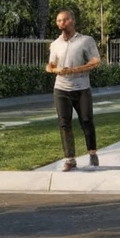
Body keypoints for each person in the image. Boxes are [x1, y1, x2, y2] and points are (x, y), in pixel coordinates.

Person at [46, 9, 101, 172]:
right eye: (58, 20)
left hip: (82, 88)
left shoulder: (86, 41)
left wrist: (74, 70)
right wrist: (52, 69)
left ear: (72, 20)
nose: (61, 23)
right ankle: (70, 159)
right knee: (64, 123)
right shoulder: (55, 44)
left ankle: (92, 152)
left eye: (65, 19)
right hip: (61, 88)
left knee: (86, 120)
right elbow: (51, 65)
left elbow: (95, 62)